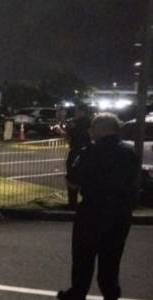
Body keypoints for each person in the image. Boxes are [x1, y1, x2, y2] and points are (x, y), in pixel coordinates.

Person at [57, 113, 139, 300]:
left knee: (83, 258)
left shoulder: (89, 153)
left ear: (102, 129)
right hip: (120, 214)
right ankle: (111, 294)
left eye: (93, 127)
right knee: (111, 259)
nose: (89, 131)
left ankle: (77, 293)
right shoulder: (129, 153)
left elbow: (73, 182)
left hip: (92, 211)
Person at [58, 103, 92, 210]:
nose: (75, 113)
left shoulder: (74, 123)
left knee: (72, 176)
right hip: (89, 151)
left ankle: (72, 203)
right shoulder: (91, 122)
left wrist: (59, 130)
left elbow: (68, 137)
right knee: (87, 175)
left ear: (81, 111)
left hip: (76, 151)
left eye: (76, 110)